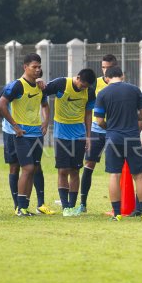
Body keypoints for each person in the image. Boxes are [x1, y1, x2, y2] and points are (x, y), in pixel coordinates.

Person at [0, 53, 50, 217]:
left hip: (37, 134)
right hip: (22, 134)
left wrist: (46, 122)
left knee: (33, 169)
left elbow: (45, 105)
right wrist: (15, 126)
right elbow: (0, 105)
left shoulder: (40, 86)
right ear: (25, 67)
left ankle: (24, 207)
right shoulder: (17, 85)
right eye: (34, 67)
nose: (37, 70)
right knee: (26, 168)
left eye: (39, 67)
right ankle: (19, 207)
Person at [94, 66, 142, 221]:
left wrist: (109, 127)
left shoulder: (103, 93)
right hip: (132, 137)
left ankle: (117, 213)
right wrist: (133, 118)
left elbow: (99, 121)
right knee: (139, 175)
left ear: (106, 78)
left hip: (113, 138)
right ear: (122, 75)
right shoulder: (134, 90)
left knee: (114, 175)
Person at [44, 69, 96, 216]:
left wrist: (88, 137)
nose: (83, 88)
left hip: (79, 135)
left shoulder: (90, 92)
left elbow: (88, 115)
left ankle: (72, 207)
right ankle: (65, 206)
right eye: (82, 85)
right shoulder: (61, 84)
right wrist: (44, 118)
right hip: (61, 135)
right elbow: (42, 92)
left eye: (86, 86)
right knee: (62, 170)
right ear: (77, 78)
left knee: (75, 170)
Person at [80, 54, 117, 213]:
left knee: (115, 169)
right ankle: (82, 204)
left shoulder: (120, 85)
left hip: (113, 131)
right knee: (89, 164)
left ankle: (115, 206)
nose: (105, 70)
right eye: (103, 67)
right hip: (96, 129)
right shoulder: (94, 84)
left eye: (108, 68)